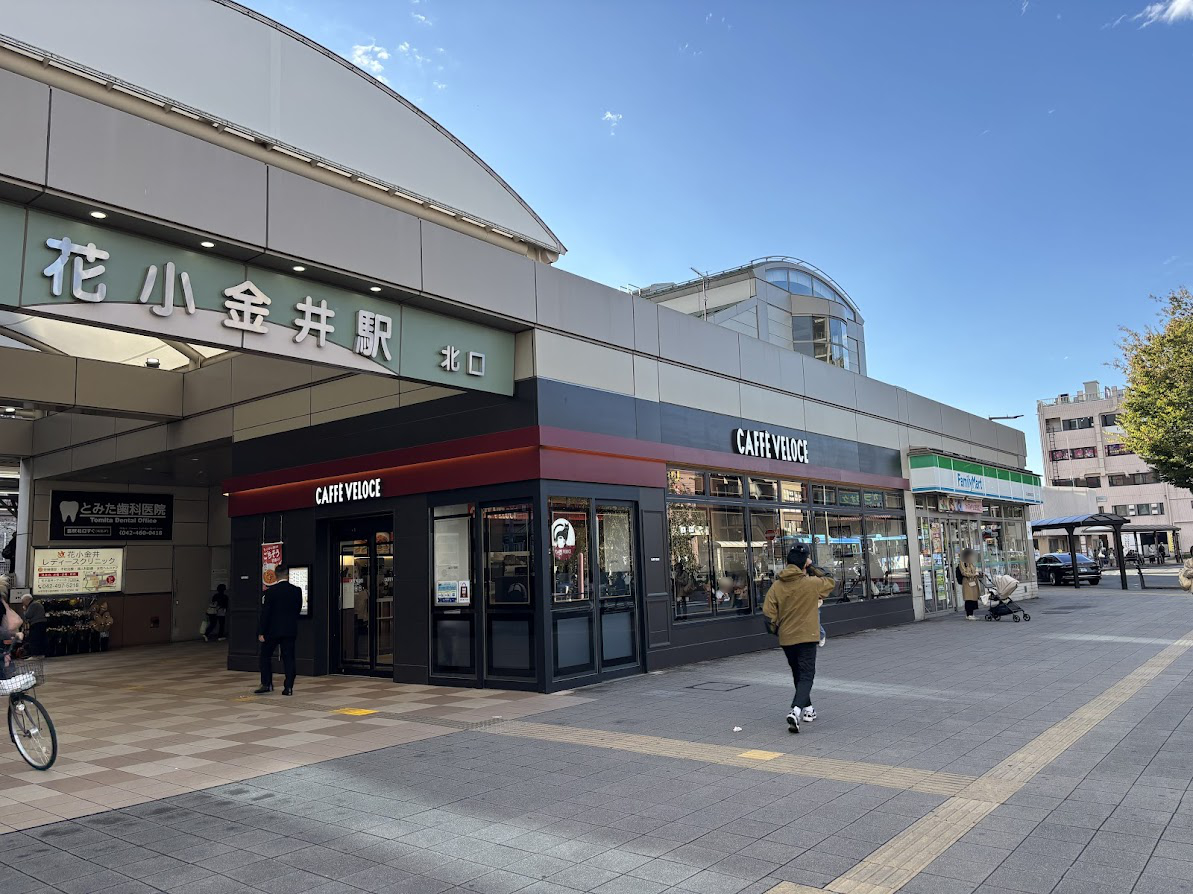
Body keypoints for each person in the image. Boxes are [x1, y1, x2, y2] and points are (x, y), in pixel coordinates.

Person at [763, 546, 836, 734]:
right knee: (806, 674)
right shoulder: (811, 583)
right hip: (807, 636)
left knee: (798, 672)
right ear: (804, 563)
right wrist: (812, 567)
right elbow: (830, 580)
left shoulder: (776, 586)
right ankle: (795, 710)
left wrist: (776, 631)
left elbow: (768, 614)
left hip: (787, 638)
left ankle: (808, 710)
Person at [256, 567, 302, 696]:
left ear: (276, 576)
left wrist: (261, 631)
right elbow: (297, 610)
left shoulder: (271, 592)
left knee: (265, 656)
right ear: (288, 575)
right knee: (289, 658)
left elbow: (266, 613)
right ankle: (288, 687)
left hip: (272, 630)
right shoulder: (296, 591)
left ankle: (266, 683)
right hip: (290, 629)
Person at [958, 549, 982, 620]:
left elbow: (974, 570)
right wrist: (973, 574)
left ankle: (971, 614)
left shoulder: (970, 563)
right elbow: (964, 573)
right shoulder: (962, 563)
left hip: (973, 582)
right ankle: (969, 614)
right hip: (967, 583)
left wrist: (978, 573)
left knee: (973, 598)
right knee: (969, 598)